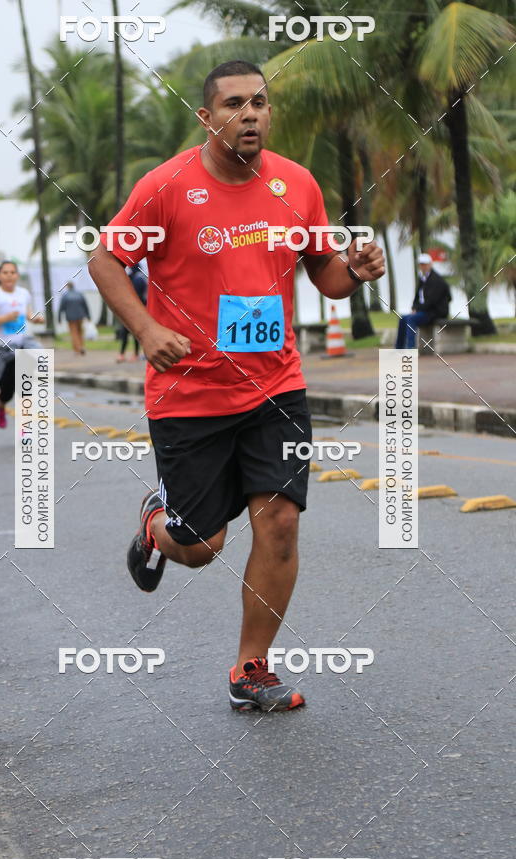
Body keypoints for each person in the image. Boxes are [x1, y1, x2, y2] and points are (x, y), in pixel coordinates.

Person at [89, 60, 385, 712]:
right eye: (233, 104)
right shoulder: (166, 187)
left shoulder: (296, 184)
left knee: (279, 522)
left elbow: (325, 273)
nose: (249, 114)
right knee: (201, 546)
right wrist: (145, 328)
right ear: (206, 116)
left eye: (259, 102)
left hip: (276, 388)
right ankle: (156, 526)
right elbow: (105, 257)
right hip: (189, 394)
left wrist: (356, 271)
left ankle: (252, 668)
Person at [0, 261, 44, 428]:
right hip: (1, 350)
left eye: (12, 272)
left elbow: (26, 313)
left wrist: (35, 318)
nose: (9, 275)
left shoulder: (24, 293)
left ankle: (26, 428)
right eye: (5, 272)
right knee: (7, 392)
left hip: (22, 346)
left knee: (25, 388)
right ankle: (1, 406)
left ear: (17, 276)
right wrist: (5, 318)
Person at [395, 252, 451, 349]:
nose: (423, 267)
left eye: (425, 264)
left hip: (436, 312)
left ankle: (410, 348)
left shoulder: (437, 280)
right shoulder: (423, 278)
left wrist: (417, 309)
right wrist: (414, 307)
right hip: (425, 311)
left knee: (411, 319)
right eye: (421, 264)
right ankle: (399, 348)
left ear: (430, 264)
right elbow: (417, 297)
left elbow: (431, 301)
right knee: (403, 318)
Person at [116, 263, 147, 362]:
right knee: (126, 332)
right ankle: (124, 354)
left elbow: (137, 296)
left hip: (135, 309)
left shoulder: (138, 279)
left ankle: (133, 354)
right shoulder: (136, 278)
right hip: (131, 309)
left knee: (133, 333)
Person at [58, 281, 90, 355]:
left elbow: (61, 308)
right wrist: (88, 316)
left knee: (74, 333)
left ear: (67, 287)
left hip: (70, 317)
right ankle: (82, 346)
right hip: (80, 316)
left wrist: (59, 318)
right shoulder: (80, 294)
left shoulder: (65, 296)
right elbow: (85, 305)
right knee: (80, 332)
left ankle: (77, 349)